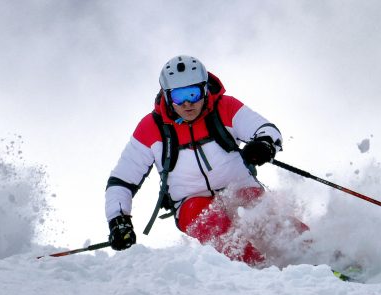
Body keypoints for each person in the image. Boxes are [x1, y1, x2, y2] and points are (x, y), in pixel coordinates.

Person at [105, 55, 298, 266]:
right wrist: (118, 219)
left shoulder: (224, 107)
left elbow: (266, 129)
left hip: (238, 187)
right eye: (179, 96)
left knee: (269, 219)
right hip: (190, 202)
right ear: (167, 96)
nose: (187, 103)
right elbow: (121, 180)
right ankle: (258, 270)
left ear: (205, 89)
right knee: (212, 223)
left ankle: (319, 255)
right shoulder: (152, 128)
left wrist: (264, 143)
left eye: (193, 93)